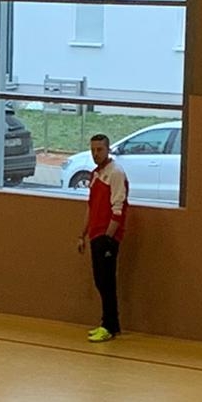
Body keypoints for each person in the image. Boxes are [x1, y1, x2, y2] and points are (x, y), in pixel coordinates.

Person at [77, 133, 129, 343]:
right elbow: (91, 207)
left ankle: (109, 325)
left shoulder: (116, 173)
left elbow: (119, 208)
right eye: (93, 150)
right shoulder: (96, 174)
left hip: (107, 237)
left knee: (107, 282)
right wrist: (82, 234)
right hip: (95, 235)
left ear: (108, 149)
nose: (95, 154)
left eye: (99, 150)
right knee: (100, 280)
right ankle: (110, 324)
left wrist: (108, 238)